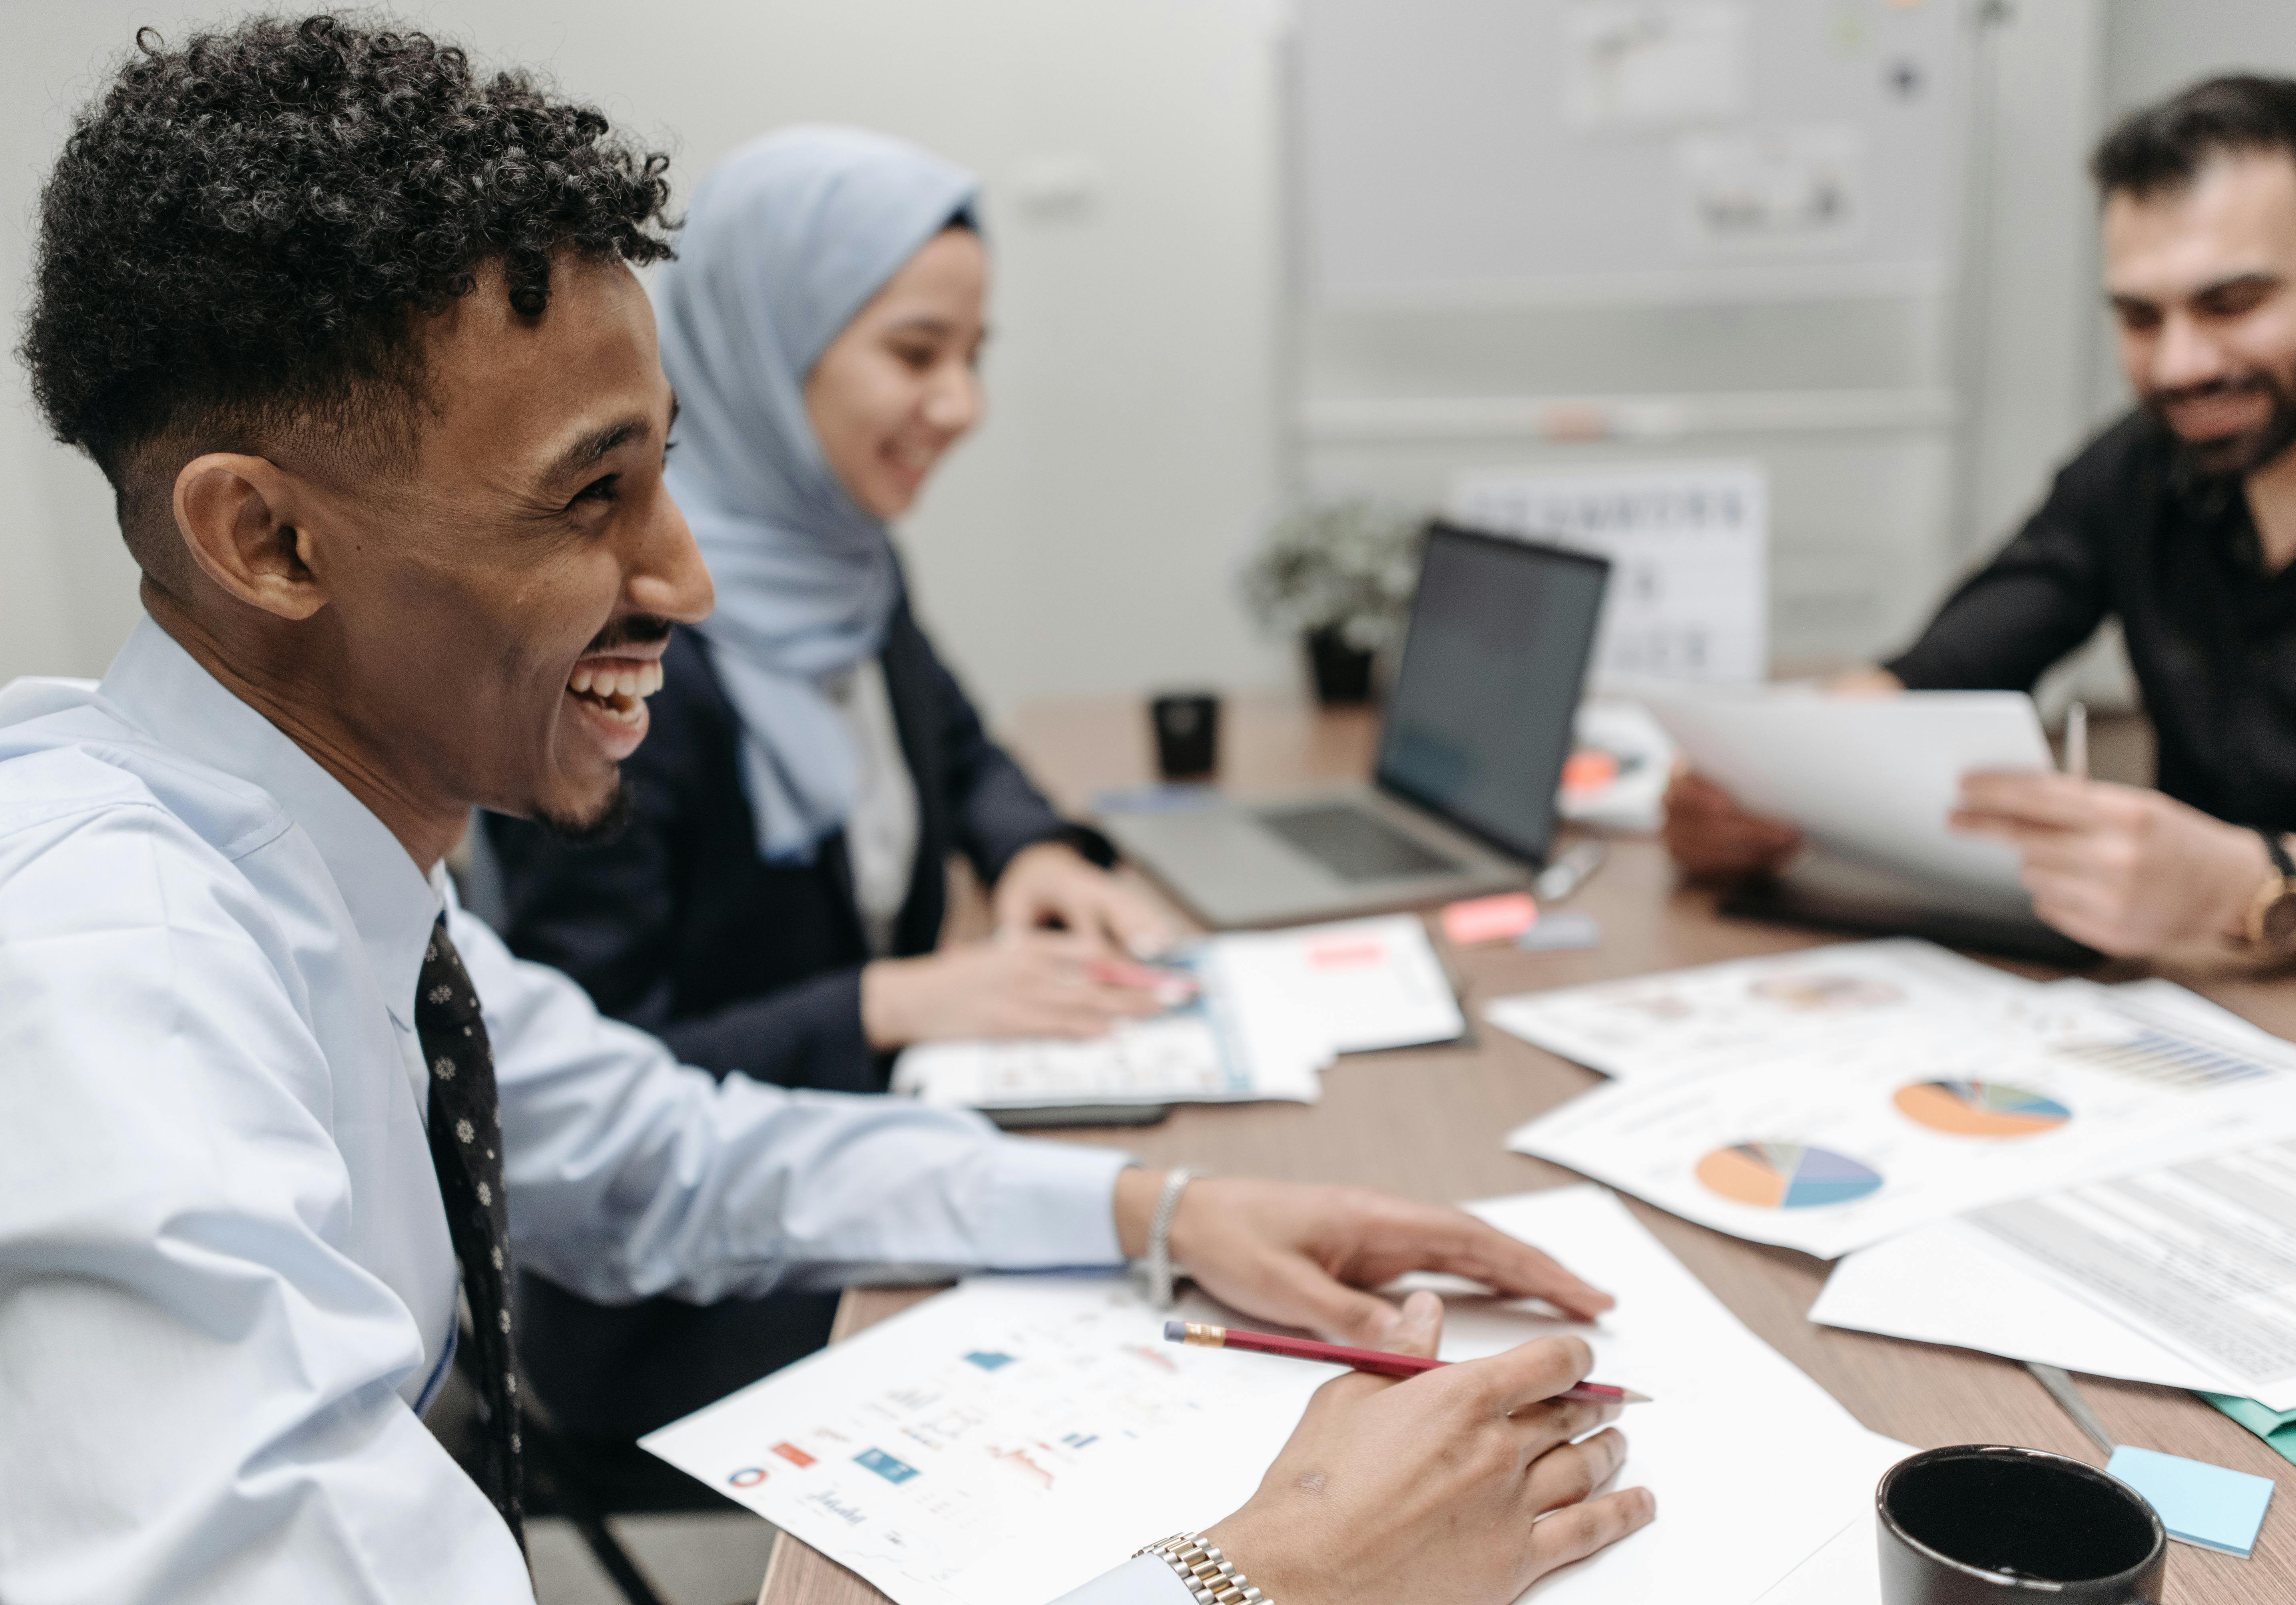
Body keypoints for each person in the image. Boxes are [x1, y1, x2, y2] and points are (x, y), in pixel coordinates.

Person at [0, 17, 1652, 1605]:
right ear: (270, 543)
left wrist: (1160, 1207)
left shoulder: (319, 871)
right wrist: (1276, 1577)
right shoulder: (113, 1003)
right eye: (592, 495)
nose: (690, 576)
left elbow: (665, 1153)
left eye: (668, 468)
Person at [478, 125, 1196, 1454]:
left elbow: (959, 741)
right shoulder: (618, 656)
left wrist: (1033, 853)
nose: (960, 404)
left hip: (853, 1146)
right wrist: (888, 1001)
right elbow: (594, 1078)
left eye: (973, 357)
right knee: (1125, 1334)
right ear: (773, 336)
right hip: (666, 1277)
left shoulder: (840, 559)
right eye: (915, 353)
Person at [1667, 75, 2296, 961]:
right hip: (2205, 1001)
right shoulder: (2139, 464)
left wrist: (2250, 884)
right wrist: (1759, 783)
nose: (2177, 366)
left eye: (2230, 304)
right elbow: (1939, 670)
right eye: (2138, 317)